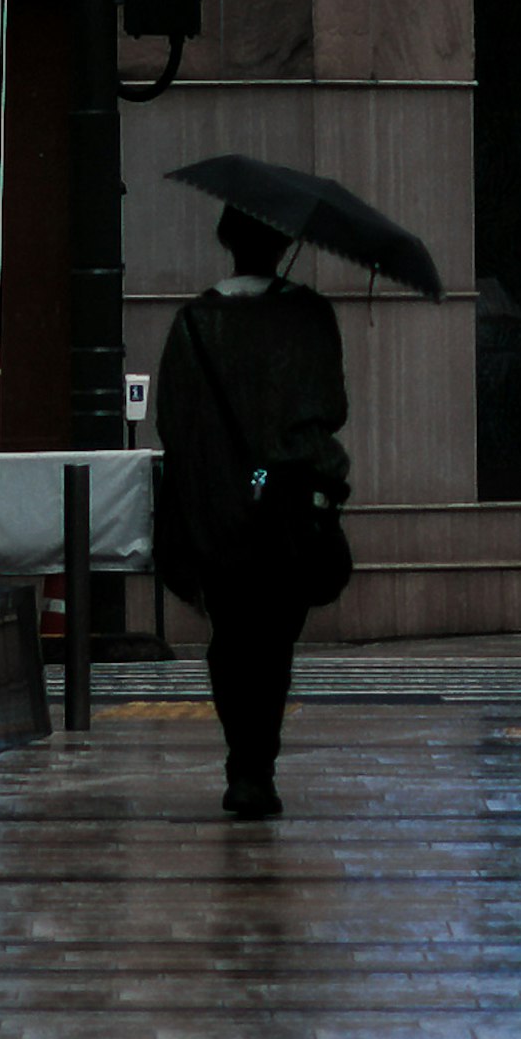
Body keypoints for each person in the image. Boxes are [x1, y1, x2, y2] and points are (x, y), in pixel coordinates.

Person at [149, 206, 351, 818]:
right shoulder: (310, 315)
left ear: (226, 242)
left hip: (219, 503)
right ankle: (258, 765)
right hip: (286, 500)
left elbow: (175, 421)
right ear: (285, 242)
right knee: (274, 639)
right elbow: (329, 408)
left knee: (231, 634)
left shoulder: (194, 323)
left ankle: (244, 763)